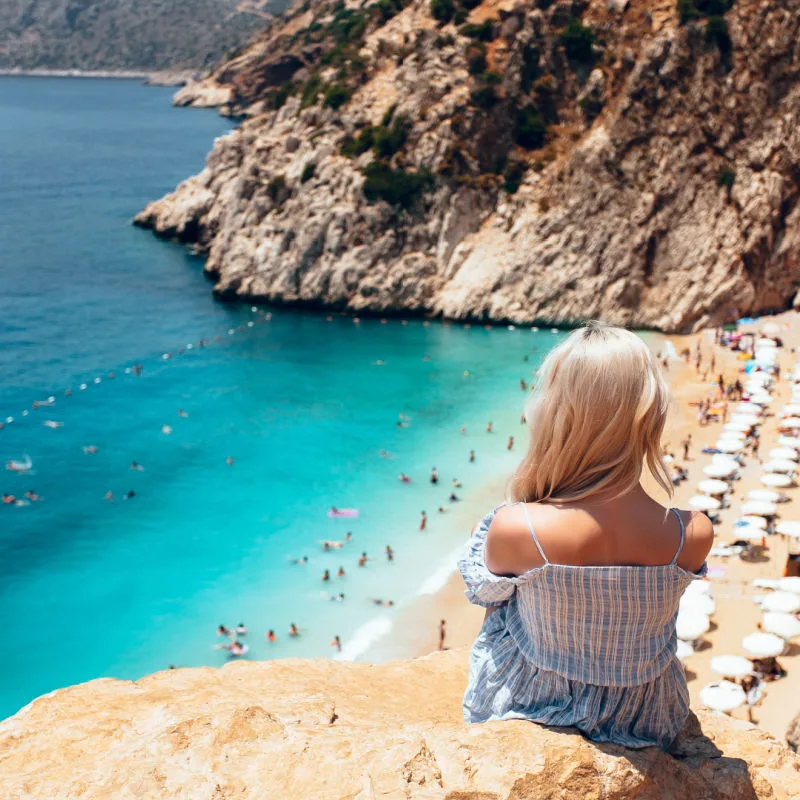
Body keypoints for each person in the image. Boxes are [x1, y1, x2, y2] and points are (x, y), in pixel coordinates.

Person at [458, 322, 712, 751]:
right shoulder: (691, 532)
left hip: (534, 703)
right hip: (647, 716)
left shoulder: (520, 527)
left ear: (556, 416)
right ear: (650, 417)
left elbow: (484, 593)